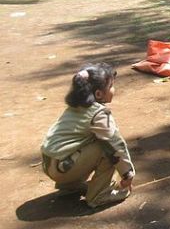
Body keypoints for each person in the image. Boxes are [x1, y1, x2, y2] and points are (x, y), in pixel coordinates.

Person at [40, 63, 135, 208]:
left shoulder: (75, 107)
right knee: (107, 149)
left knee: (90, 142)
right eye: (111, 86)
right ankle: (99, 195)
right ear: (99, 94)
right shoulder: (98, 114)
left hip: (50, 164)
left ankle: (70, 186)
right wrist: (127, 174)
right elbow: (116, 145)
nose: (113, 89)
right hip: (62, 169)